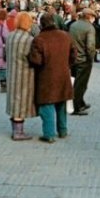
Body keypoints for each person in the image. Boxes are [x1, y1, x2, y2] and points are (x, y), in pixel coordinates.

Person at [29, 13, 76, 143]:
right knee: (61, 102)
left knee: (47, 104)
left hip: (46, 76)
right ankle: (62, 130)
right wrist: (66, 65)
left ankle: (49, 134)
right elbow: (73, 55)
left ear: (42, 24)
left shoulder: (39, 39)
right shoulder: (65, 36)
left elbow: (36, 60)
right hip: (63, 74)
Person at [4, 12, 36, 140]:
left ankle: (14, 129)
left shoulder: (10, 36)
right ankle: (18, 132)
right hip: (25, 74)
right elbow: (33, 58)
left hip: (12, 72)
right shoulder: (29, 39)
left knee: (14, 100)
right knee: (21, 102)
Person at [69, 8, 97, 115]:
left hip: (73, 58)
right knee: (81, 84)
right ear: (89, 16)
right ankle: (77, 107)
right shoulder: (89, 28)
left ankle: (81, 102)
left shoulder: (74, 25)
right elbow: (90, 46)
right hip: (84, 59)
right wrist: (91, 58)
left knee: (76, 81)